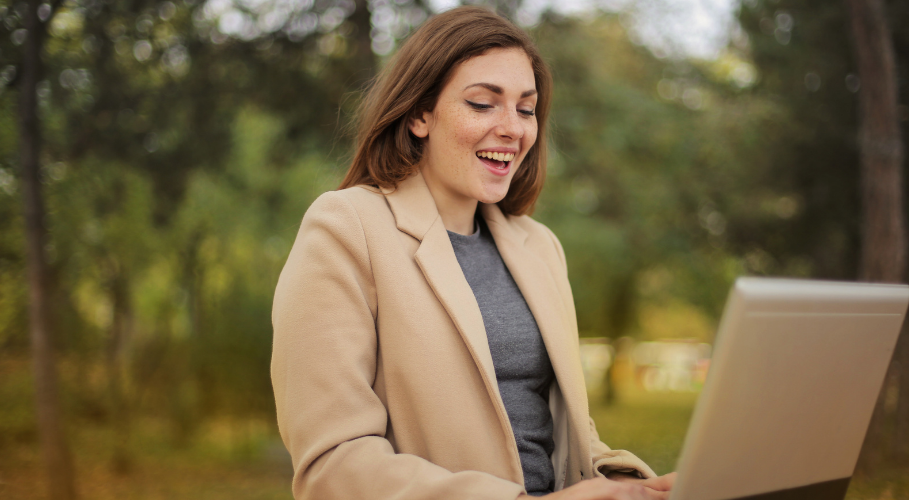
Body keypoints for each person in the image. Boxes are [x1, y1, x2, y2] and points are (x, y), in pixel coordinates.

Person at [270, 6, 676, 499]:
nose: (513, 128)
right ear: (421, 113)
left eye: (526, 109)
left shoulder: (539, 247)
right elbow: (332, 465)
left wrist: (633, 486)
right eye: (483, 104)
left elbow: (567, 438)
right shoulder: (346, 228)